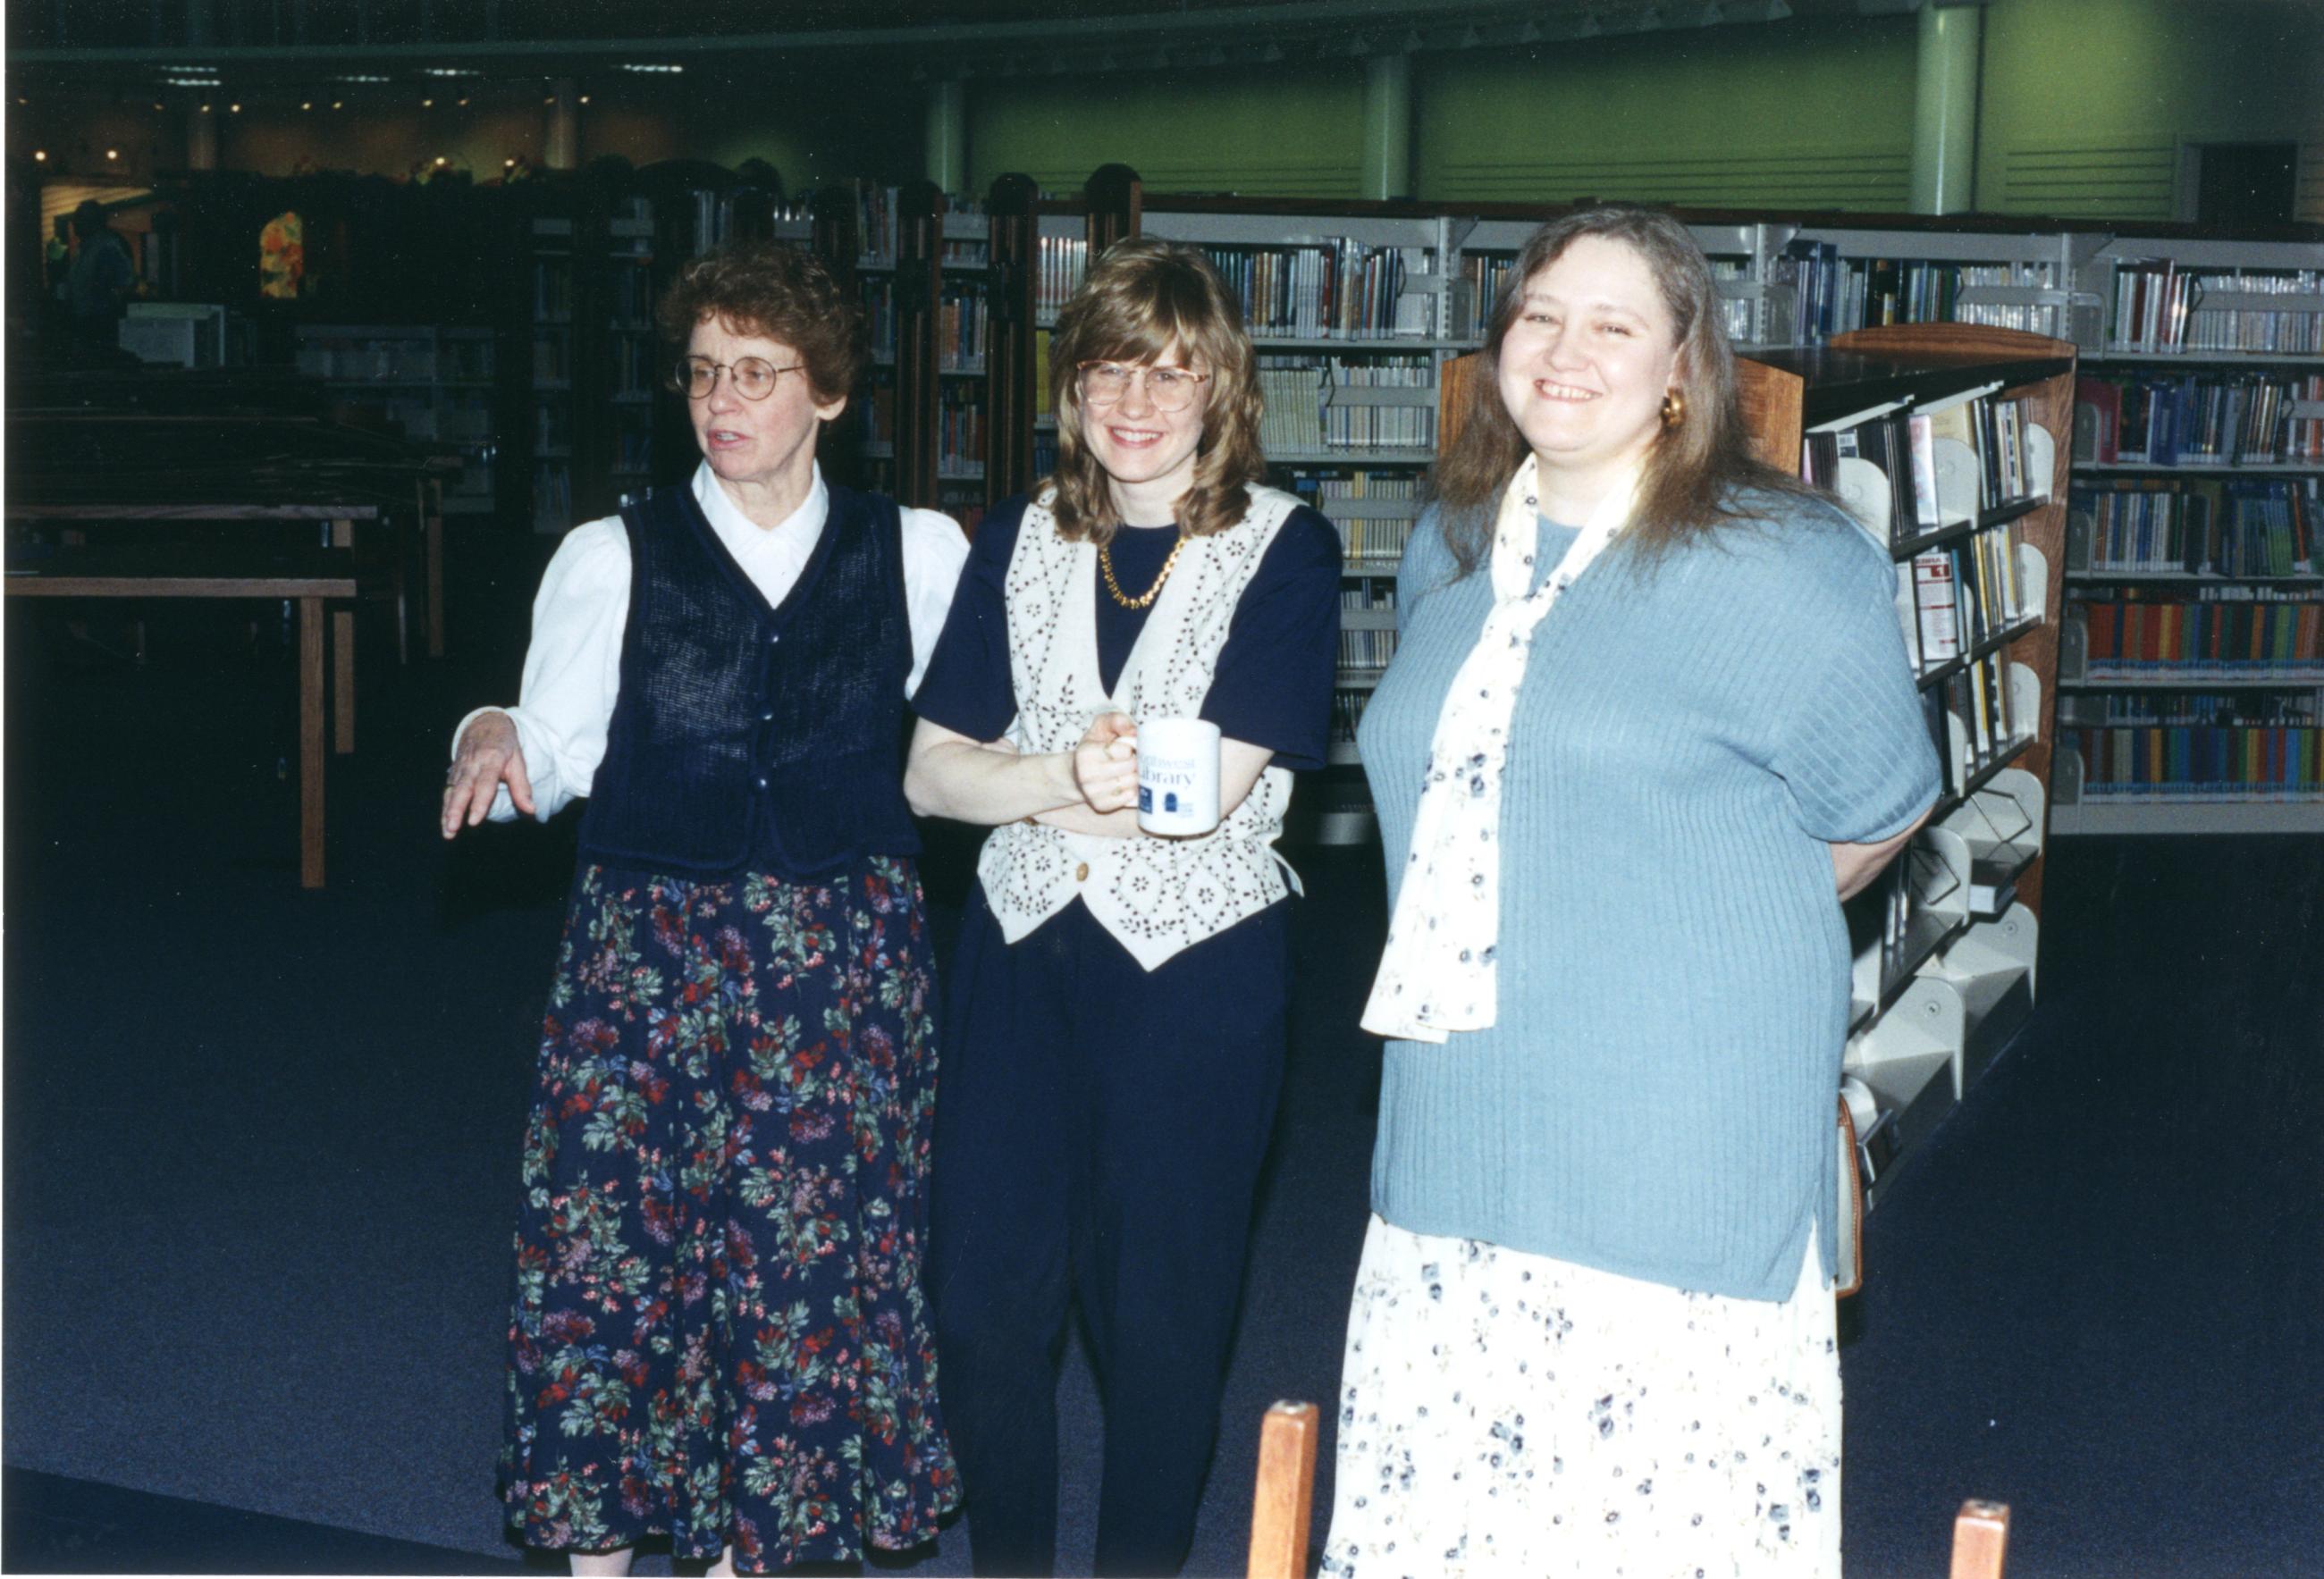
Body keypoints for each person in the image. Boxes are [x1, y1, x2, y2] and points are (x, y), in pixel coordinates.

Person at [1321, 206, 1941, 1578]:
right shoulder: (1453, 541)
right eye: (1538, 314)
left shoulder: (1788, 561)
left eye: (1613, 323)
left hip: (1674, 1138)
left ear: (1683, 366)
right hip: (1460, 1114)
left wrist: (1697, 931)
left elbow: (1882, 807)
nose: (1564, 349)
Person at [440, 241, 968, 1575]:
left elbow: (984, 737)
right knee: (615, 1264)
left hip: (841, 966)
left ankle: (753, 1552)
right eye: (701, 373)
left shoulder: (917, 549)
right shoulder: (611, 553)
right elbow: (548, 747)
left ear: (830, 394)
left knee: (800, 1282)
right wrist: (490, 734)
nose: (721, 400)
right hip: (648, 962)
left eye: (758, 373)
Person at [902, 236, 1341, 1577]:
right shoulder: (1022, 536)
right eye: (1107, 370)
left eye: (1171, 373)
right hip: (1019, 966)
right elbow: (926, 774)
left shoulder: (1289, 546)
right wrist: (1069, 775)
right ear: (1071, 388)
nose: (1135, 403)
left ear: (1222, 389)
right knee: (979, 1307)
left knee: (1160, 1324)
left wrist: (1024, 778)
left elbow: (1208, 793)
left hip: (1194, 979)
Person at [65, 199, 136, 345]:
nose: (74, 223)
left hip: (101, 323)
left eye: (80, 218)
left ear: (94, 221)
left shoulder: (107, 246)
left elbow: (123, 282)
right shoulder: (83, 249)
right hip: (84, 321)